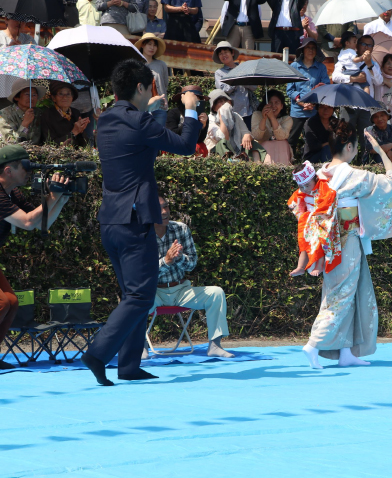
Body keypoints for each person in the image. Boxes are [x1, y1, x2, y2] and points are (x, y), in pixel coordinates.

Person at [81, 59, 201, 386]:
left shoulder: (105, 120)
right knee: (139, 297)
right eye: (149, 85)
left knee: (131, 295)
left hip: (111, 221)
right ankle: (98, 353)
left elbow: (138, 139)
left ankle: (129, 366)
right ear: (140, 87)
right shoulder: (138, 122)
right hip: (135, 222)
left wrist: (148, 110)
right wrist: (189, 109)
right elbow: (186, 145)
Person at [301, 121, 392, 368]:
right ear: (348, 147)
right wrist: (380, 150)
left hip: (328, 243)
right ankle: (313, 344)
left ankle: (345, 351)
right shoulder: (355, 176)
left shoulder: (319, 174)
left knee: (348, 291)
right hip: (345, 242)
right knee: (341, 295)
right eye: (356, 147)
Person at [0, 146, 70, 369]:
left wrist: (61, 199)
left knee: (11, 302)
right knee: (2, 303)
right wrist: (51, 197)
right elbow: (28, 221)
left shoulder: (12, 192)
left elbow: (42, 221)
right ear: (8, 170)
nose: (28, 172)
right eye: (25, 166)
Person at [145, 196, 234, 359]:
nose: (165, 212)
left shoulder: (181, 229)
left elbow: (192, 264)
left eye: (166, 207)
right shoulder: (141, 235)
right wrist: (166, 261)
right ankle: (140, 347)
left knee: (216, 293)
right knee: (135, 299)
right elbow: (143, 273)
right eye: (160, 209)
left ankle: (215, 346)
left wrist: (178, 258)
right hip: (153, 291)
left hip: (181, 289)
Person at [332, 34, 382, 138]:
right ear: (357, 45)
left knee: (367, 139)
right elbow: (335, 77)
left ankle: (365, 155)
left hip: (366, 107)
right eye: (363, 44)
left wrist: (369, 65)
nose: (366, 47)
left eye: (369, 45)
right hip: (348, 105)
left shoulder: (374, 64)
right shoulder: (345, 59)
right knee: (345, 138)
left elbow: (379, 82)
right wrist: (353, 79)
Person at [286, 37, 330, 151]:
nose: (311, 50)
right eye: (308, 48)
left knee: (315, 141)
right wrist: (302, 102)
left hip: (315, 111)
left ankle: (314, 164)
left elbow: (325, 88)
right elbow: (290, 90)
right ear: (302, 50)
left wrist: (313, 104)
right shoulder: (294, 66)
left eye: (313, 48)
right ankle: (290, 164)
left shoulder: (321, 67)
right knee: (291, 140)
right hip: (297, 111)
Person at [205, 89, 263, 161]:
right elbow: (223, 138)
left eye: (225, 100)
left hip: (237, 149)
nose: (224, 104)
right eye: (220, 101)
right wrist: (222, 117)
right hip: (218, 152)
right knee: (223, 142)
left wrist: (247, 135)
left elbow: (246, 132)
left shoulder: (235, 115)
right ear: (213, 107)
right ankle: (230, 163)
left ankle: (258, 166)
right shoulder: (210, 119)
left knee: (253, 144)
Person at [287, 161, 323, 276]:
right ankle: (301, 266)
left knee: (321, 242)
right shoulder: (301, 191)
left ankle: (319, 265)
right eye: (301, 186)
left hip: (322, 220)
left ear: (315, 179)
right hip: (309, 221)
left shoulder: (323, 188)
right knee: (304, 243)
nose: (304, 189)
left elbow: (329, 201)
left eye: (307, 185)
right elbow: (294, 201)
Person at [214, 41, 257, 129]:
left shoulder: (244, 68)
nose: (223, 55)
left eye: (225, 52)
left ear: (232, 53)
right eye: (221, 54)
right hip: (231, 114)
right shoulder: (219, 73)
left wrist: (242, 79)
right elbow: (224, 90)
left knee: (248, 140)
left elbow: (254, 86)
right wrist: (237, 79)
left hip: (248, 112)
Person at [39, 83, 89, 149]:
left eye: (68, 94)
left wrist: (81, 131)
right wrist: (73, 133)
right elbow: (50, 144)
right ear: (54, 98)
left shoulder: (75, 113)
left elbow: (84, 144)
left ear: (72, 97)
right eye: (61, 94)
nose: (65, 97)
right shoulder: (47, 115)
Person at [251, 89, 293, 165]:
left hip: (280, 149)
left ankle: (283, 169)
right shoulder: (257, 115)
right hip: (261, 148)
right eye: (270, 102)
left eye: (277, 103)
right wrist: (264, 119)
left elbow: (281, 136)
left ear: (282, 106)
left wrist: (272, 118)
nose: (273, 106)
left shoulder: (287, 119)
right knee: (268, 144)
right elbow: (257, 136)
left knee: (283, 143)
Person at [135, 33, 169, 125]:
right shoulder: (136, 65)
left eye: (154, 45)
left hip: (160, 106)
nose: (152, 47)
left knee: (159, 135)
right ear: (142, 45)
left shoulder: (161, 64)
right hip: (142, 106)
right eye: (149, 44)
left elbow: (165, 83)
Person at [166, 86, 209, 156]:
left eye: (197, 98)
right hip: (176, 144)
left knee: (200, 146)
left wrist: (203, 126)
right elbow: (171, 133)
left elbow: (200, 139)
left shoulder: (203, 115)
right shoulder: (173, 113)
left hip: (194, 146)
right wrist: (190, 121)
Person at [0, 80, 45, 145]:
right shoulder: (4, 115)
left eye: (34, 95)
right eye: (27, 94)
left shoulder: (39, 113)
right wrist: (25, 124)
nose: (31, 98)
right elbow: (10, 143)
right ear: (16, 97)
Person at [375, 54, 392, 126]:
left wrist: (386, 82)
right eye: (388, 63)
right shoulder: (377, 79)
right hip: (378, 118)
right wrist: (381, 79)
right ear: (383, 65)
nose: (391, 66)